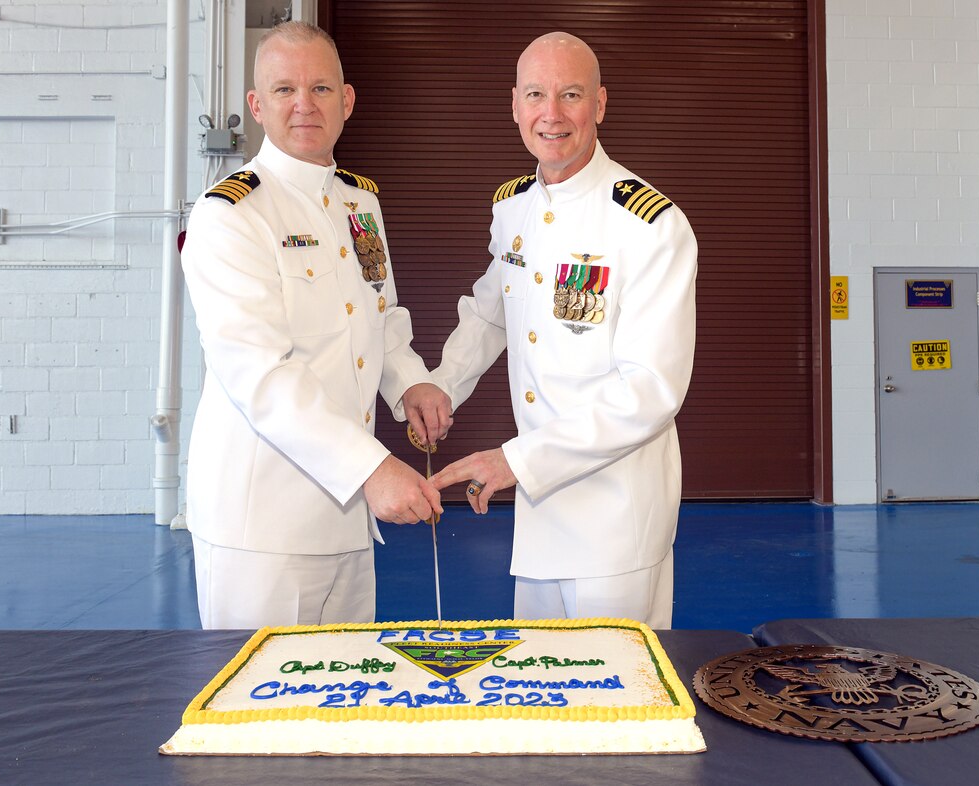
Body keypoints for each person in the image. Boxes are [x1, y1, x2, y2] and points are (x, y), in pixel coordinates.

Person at [180, 22, 452, 629]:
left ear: (347, 100)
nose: (304, 104)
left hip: (349, 521)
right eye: (284, 90)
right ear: (256, 105)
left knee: (341, 702)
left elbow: (380, 315)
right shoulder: (230, 214)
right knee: (256, 710)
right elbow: (261, 373)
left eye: (321, 88)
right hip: (264, 527)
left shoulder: (360, 201)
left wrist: (409, 382)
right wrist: (373, 467)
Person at [430, 32, 697, 629]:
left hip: (614, 523)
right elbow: (493, 306)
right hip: (538, 517)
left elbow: (650, 390)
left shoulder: (649, 223)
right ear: (516, 105)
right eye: (535, 95)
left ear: (599, 104)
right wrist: (443, 384)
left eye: (570, 94)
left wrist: (515, 461)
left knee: (618, 702)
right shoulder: (514, 207)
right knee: (544, 688)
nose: (551, 114)